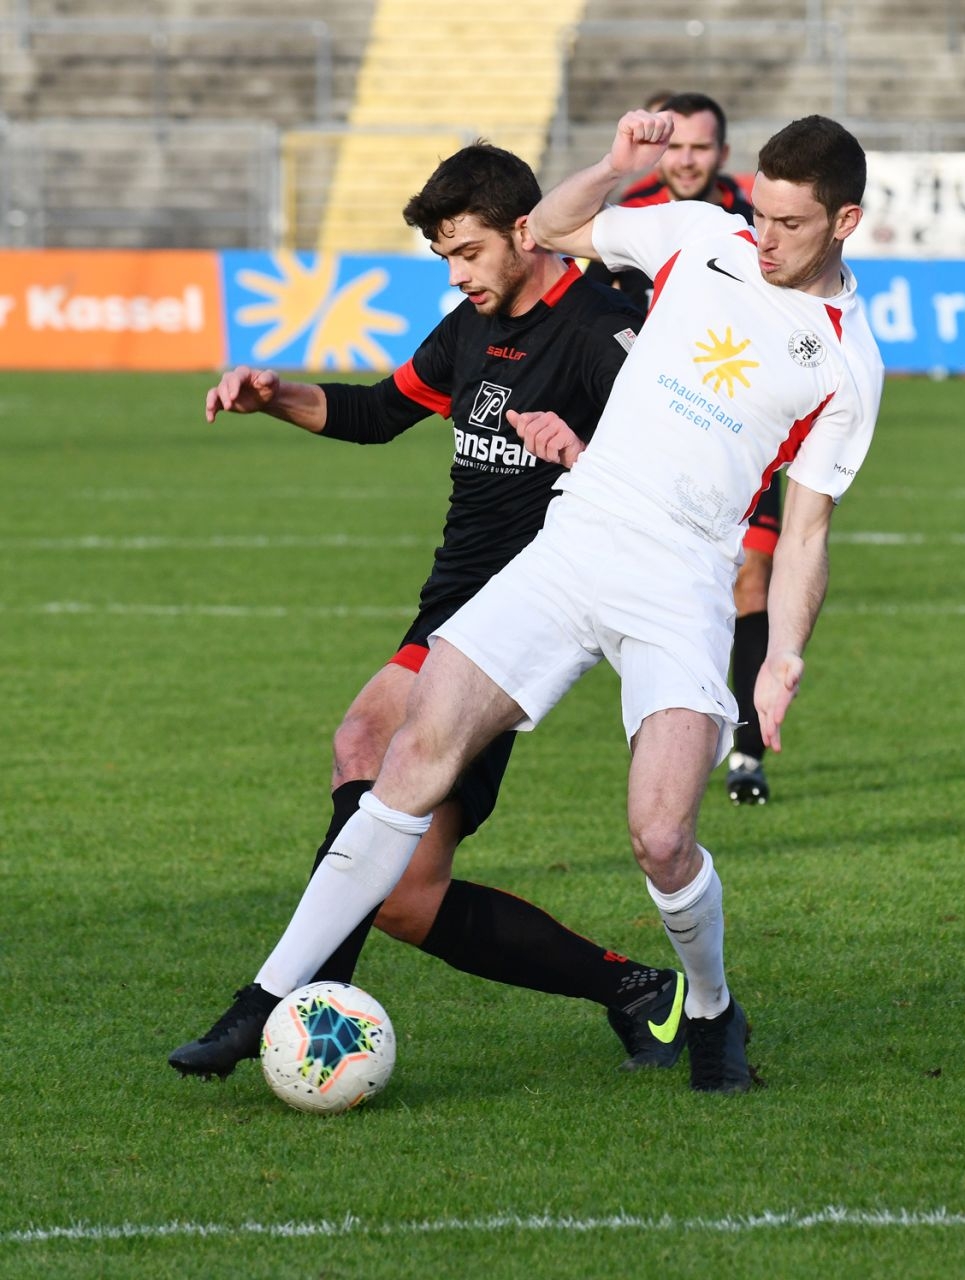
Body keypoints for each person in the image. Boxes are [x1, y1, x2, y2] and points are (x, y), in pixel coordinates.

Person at [167, 109, 884, 1094]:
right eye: (758, 212)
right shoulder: (701, 237)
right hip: (572, 545)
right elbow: (547, 223)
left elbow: (804, 532)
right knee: (399, 757)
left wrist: (784, 653)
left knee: (662, 834)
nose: (761, 237)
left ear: (844, 222)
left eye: (789, 224)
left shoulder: (847, 362)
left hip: (681, 583)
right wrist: (616, 169)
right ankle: (263, 1000)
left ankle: (712, 1009)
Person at [169, 142, 690, 1081]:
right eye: (445, 258)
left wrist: (579, 450)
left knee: (365, 747)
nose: (457, 275)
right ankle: (637, 990)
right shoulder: (469, 329)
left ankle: (281, 1004)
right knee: (405, 894)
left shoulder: (604, 329)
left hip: (526, 623)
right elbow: (377, 412)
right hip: (448, 609)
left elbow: (667, 474)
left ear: (524, 231)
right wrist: (274, 393)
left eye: (468, 253)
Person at [584, 91, 778, 806]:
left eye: (702, 148)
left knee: (751, 579)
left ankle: (748, 753)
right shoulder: (631, 217)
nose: (689, 160)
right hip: (651, 433)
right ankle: (665, 740)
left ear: (722, 155)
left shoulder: (754, 222)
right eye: (679, 147)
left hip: (739, 426)